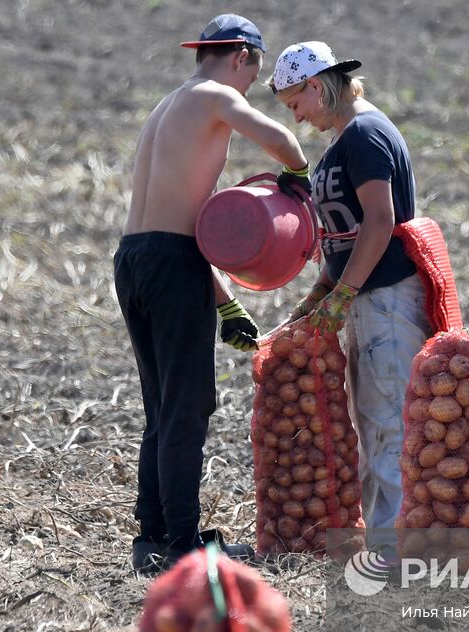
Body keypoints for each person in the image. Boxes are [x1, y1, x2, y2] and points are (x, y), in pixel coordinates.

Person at [118, 14, 313, 573]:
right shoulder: (213, 96)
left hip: (135, 260)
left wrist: (225, 303)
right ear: (243, 58)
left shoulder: (169, 105)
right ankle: (182, 544)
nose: (252, 86)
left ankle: (152, 534)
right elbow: (282, 139)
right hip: (170, 264)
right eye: (255, 73)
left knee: (161, 407)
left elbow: (180, 229)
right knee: (186, 408)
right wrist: (298, 175)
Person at [271, 41, 429, 546]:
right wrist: (319, 295)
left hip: (385, 298)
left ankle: (393, 550)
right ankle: (375, 540)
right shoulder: (343, 141)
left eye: (295, 103)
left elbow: (380, 223)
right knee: (371, 423)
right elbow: (344, 236)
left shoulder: (364, 133)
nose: (296, 117)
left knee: (387, 425)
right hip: (362, 299)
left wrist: (343, 295)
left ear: (315, 85)